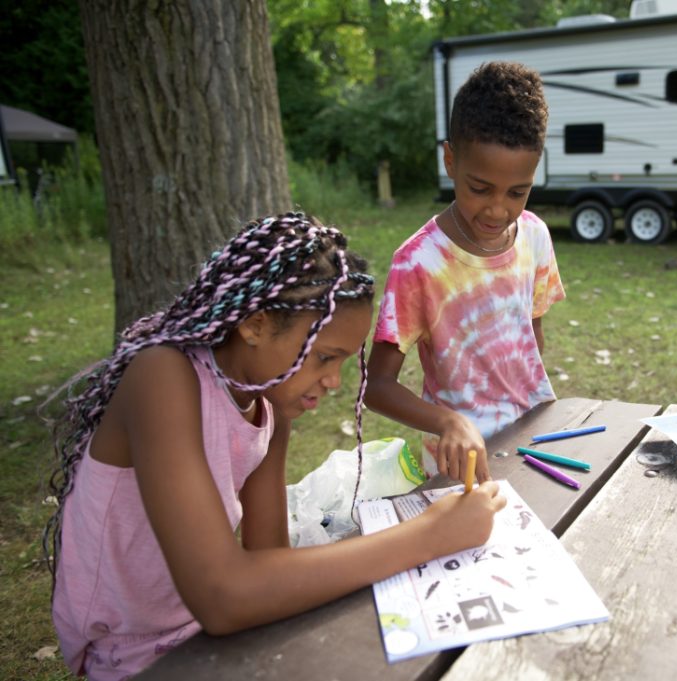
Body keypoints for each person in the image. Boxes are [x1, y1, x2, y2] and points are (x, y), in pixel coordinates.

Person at [44, 213, 506, 680]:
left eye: (344, 361)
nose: (333, 381)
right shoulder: (162, 377)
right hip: (137, 654)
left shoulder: (267, 404)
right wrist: (429, 536)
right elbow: (223, 597)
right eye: (326, 357)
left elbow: (268, 562)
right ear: (256, 325)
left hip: (212, 633)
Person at [365, 61, 565, 485]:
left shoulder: (534, 235)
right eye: (480, 188)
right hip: (460, 465)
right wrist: (448, 423)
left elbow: (533, 337)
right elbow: (377, 386)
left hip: (532, 440)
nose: (498, 209)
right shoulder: (417, 263)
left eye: (518, 191)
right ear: (450, 159)